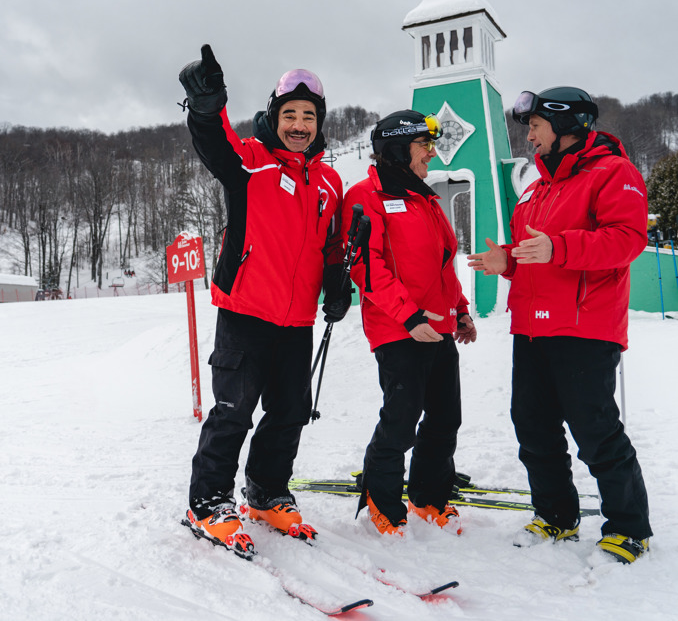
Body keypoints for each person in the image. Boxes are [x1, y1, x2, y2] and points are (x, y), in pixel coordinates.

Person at [178, 45, 351, 553]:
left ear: (319, 124)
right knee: (233, 411)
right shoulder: (252, 162)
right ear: (274, 116)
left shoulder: (329, 181)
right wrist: (208, 105)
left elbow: (334, 243)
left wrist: (338, 284)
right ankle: (207, 502)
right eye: (290, 114)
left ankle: (267, 492)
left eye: (309, 116)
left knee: (291, 412)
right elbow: (216, 144)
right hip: (245, 313)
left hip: (297, 322)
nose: (299, 124)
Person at [468, 87, 652, 564]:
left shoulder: (614, 173)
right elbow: (536, 253)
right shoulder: (536, 188)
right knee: (533, 427)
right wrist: (505, 260)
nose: (528, 136)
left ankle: (629, 528)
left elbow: (626, 240)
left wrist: (559, 248)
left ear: (567, 125)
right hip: (531, 327)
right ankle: (555, 516)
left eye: (535, 126)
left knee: (595, 432)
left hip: (584, 327)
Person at [344, 110, 477, 536]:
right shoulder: (364, 196)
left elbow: (442, 267)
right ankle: (382, 501)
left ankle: (428, 496)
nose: (432, 155)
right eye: (425, 146)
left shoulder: (426, 198)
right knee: (401, 419)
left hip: (436, 327)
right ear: (399, 150)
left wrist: (459, 310)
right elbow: (366, 267)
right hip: (397, 328)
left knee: (444, 417)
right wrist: (409, 315)